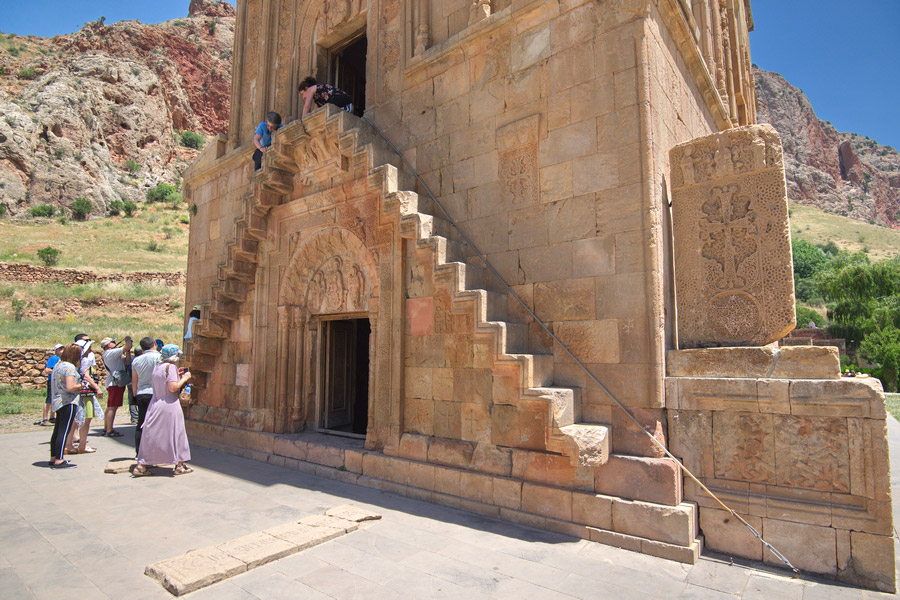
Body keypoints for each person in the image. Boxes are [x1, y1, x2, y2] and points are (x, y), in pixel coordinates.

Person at [134, 344, 193, 476]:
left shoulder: (158, 367)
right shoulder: (171, 367)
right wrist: (185, 378)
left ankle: (142, 464)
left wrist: (177, 375)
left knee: (153, 435)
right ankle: (180, 465)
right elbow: (173, 388)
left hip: (156, 403)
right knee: (177, 433)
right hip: (169, 404)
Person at [48, 344, 84, 469]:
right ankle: (59, 460)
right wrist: (82, 385)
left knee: (58, 430)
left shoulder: (58, 365)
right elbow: (70, 387)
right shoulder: (69, 367)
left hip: (57, 401)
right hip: (68, 402)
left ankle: (53, 457)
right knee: (64, 431)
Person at [71, 335, 103, 454]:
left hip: (79, 391)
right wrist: (97, 388)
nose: (91, 349)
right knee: (86, 418)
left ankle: (69, 444)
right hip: (86, 392)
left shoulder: (76, 361)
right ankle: (82, 445)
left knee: (76, 418)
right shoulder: (84, 360)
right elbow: (86, 376)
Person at [130, 337, 161, 456]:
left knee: (141, 422)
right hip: (155, 392)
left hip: (141, 393)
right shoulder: (159, 358)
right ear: (154, 343)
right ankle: (154, 452)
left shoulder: (136, 360)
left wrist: (134, 396)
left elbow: (134, 381)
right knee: (156, 423)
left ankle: (139, 451)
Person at [100, 336, 132, 437]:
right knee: (112, 407)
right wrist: (128, 340)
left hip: (114, 383)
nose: (115, 343)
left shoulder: (111, 354)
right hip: (115, 383)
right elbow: (128, 346)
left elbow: (127, 361)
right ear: (109, 345)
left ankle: (106, 428)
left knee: (111, 406)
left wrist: (127, 352)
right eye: (113, 342)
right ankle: (109, 430)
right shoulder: (111, 353)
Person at [35, 344, 64, 426]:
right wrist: (58, 372)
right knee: (49, 400)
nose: (62, 350)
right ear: (56, 350)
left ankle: (52, 417)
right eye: (60, 349)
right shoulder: (54, 358)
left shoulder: (62, 359)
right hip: (52, 381)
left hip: (59, 381)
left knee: (56, 399)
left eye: (63, 348)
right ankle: (44, 419)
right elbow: (47, 370)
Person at [127, 346, 142, 425]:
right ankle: (141, 416)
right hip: (139, 381)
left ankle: (134, 418)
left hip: (130, 380)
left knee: (132, 400)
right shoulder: (142, 360)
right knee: (140, 399)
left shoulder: (131, 360)